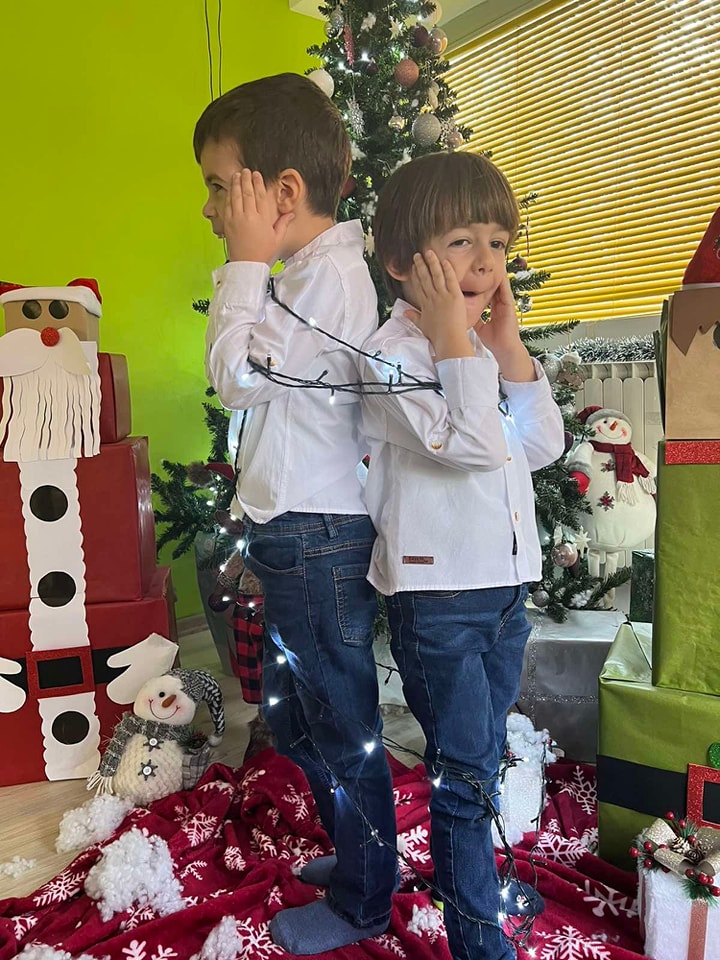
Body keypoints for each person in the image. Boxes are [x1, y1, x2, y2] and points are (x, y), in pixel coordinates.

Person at [194, 73, 397, 954]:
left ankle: (365, 899)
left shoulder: (329, 279)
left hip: (318, 539)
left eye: (218, 186)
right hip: (294, 534)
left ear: (280, 192)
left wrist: (243, 265)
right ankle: (361, 858)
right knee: (304, 719)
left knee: (342, 729)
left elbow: (237, 377)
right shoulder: (308, 275)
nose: (209, 209)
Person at [361, 151, 565, 960]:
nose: (485, 262)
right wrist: (454, 339)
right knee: (466, 771)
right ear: (400, 262)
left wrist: (506, 348)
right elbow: (476, 445)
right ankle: (479, 937)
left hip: (504, 590)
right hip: (439, 599)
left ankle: (473, 886)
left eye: (497, 243)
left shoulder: (474, 351)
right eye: (460, 243)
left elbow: (541, 446)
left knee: (478, 756)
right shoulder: (393, 356)